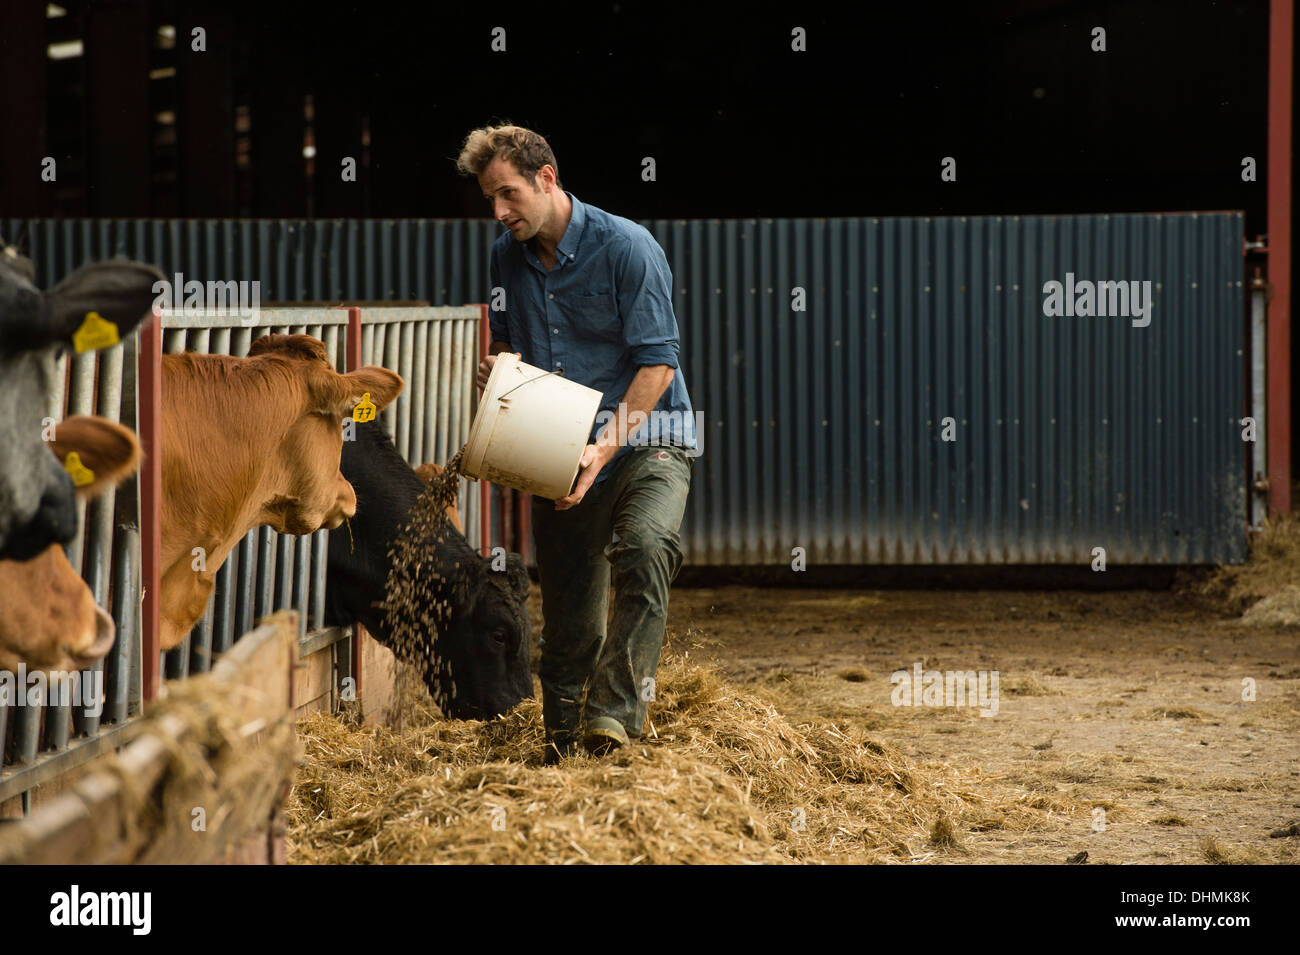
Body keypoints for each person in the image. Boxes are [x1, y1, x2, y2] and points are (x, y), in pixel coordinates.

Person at [457, 124, 698, 762]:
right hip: (556, 447)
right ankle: (564, 747)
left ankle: (614, 715)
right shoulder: (504, 256)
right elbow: (510, 341)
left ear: (547, 178)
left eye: (508, 194)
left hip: (649, 438)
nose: (499, 212)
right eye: (489, 199)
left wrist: (601, 451)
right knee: (568, 614)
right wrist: (499, 367)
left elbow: (657, 366)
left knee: (646, 548)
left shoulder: (628, 248)